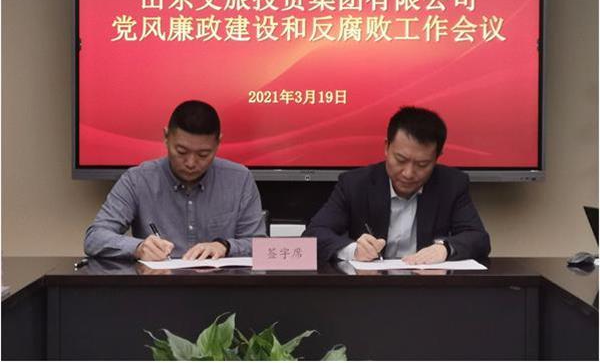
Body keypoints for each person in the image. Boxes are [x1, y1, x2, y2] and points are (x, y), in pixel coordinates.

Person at [303, 106, 490, 263]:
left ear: (437, 157)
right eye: (400, 160)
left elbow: (479, 239)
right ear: (386, 147)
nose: (408, 173)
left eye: (422, 164)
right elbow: (313, 235)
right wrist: (353, 250)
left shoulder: (451, 184)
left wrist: (445, 249)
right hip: (369, 288)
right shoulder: (355, 184)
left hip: (427, 287)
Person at [84, 100, 265, 261]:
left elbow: (261, 247)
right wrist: (138, 248)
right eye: (181, 152)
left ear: (218, 143)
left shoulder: (239, 179)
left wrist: (225, 246)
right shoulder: (137, 180)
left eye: (203, 154)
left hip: (221, 286)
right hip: (158, 285)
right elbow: (95, 237)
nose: (191, 163)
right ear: (166, 136)